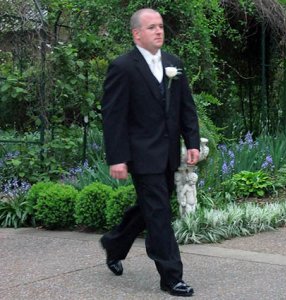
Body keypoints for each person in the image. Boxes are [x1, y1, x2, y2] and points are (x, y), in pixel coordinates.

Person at [100, 8, 200, 297]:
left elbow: (186, 107)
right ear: (136, 34)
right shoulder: (123, 67)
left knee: (150, 207)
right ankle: (171, 277)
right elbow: (113, 116)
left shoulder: (174, 64)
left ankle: (114, 243)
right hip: (141, 155)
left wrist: (191, 142)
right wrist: (117, 157)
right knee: (159, 214)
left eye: (161, 26)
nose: (159, 31)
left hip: (167, 153)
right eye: (152, 27)